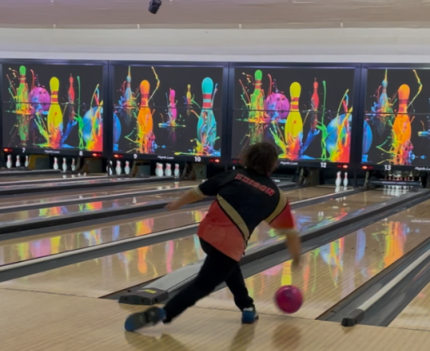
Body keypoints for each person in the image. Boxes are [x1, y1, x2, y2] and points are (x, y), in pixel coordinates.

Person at [125, 141, 301, 331]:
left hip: (206, 236)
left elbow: (196, 193)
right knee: (203, 285)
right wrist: (297, 257)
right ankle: (163, 313)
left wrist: (177, 203)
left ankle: (247, 306)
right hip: (229, 246)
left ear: (248, 157)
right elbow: (290, 234)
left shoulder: (233, 175)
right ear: (274, 164)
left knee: (229, 267)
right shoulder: (277, 196)